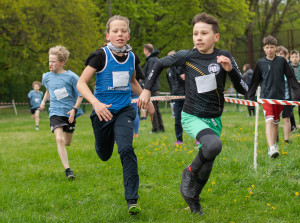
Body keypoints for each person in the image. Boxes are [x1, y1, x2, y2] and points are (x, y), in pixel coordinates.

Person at [138, 12, 248, 215]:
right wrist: (146, 89)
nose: (198, 37)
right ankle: (189, 172)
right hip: (191, 116)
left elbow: (244, 89)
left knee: (208, 164)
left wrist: (230, 69)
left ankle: (193, 200)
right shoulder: (187, 55)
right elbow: (159, 63)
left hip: (214, 118)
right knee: (213, 146)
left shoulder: (224, 56)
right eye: (195, 33)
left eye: (204, 33)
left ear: (216, 37)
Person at [76, 15, 154, 215]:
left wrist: (148, 100)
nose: (119, 34)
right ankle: (101, 142)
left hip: (124, 111)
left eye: (123, 31)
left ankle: (132, 200)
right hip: (102, 113)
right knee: (104, 154)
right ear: (108, 34)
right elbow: (81, 83)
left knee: (126, 149)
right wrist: (96, 103)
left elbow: (133, 82)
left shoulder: (133, 57)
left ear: (128, 35)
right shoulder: (99, 56)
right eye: (115, 31)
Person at [247, 36, 300, 158]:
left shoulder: (282, 62)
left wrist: (297, 91)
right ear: (264, 48)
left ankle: (274, 145)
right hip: (266, 97)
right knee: (269, 120)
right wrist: (250, 96)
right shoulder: (260, 63)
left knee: (276, 122)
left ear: (276, 48)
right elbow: (255, 81)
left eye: (272, 47)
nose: (269, 50)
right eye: (267, 47)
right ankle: (271, 148)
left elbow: (291, 77)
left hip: (280, 98)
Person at [40, 45, 83, 180]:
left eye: (53, 61)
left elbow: (81, 94)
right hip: (55, 112)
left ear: (62, 63)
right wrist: (43, 101)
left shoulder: (71, 77)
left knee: (67, 142)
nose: (50, 64)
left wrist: (74, 109)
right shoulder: (46, 77)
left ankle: (63, 149)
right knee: (59, 139)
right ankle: (68, 170)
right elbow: (48, 89)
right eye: (49, 61)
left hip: (69, 112)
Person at [143, 43, 165, 133]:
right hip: (154, 86)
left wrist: (146, 87)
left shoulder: (151, 60)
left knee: (152, 107)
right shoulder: (154, 59)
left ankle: (155, 128)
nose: (143, 52)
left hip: (151, 87)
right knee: (156, 107)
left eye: (144, 50)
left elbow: (150, 75)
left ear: (147, 50)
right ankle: (161, 128)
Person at [166, 50, 185, 145]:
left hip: (186, 97)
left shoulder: (182, 68)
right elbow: (171, 85)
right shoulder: (168, 71)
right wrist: (172, 95)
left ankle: (197, 139)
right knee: (177, 120)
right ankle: (179, 139)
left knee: (192, 118)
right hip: (176, 98)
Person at [275, 46, 293, 143]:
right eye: (277, 54)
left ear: (286, 56)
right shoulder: (273, 66)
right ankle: (275, 136)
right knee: (275, 119)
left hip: (287, 98)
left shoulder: (289, 68)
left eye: (281, 54)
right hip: (274, 98)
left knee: (287, 119)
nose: (279, 56)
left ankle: (286, 139)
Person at [290, 49, 300, 131]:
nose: (295, 59)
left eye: (296, 57)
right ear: (290, 58)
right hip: (292, 89)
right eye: (293, 57)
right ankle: (293, 126)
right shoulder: (288, 67)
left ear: (299, 57)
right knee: (289, 108)